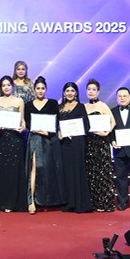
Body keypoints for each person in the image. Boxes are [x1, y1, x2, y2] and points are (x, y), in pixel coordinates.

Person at [24, 76, 63, 211]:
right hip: (35, 138)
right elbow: (27, 123)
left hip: (48, 139)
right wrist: (35, 129)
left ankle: (46, 201)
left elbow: (56, 121)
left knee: (48, 169)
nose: (40, 91)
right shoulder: (28, 105)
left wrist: (49, 132)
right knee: (35, 167)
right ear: (34, 90)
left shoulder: (52, 103)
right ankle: (31, 201)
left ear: (46, 89)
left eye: (42, 88)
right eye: (38, 88)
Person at [0, 75, 27, 212]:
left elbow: (22, 120)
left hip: (15, 138)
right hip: (1, 138)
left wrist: (22, 128)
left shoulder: (19, 101)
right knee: (2, 171)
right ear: (1, 87)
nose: (6, 87)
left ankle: (14, 202)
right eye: (4, 85)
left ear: (12, 86)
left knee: (14, 171)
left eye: (8, 85)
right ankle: (2, 202)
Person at [58, 82, 92, 213]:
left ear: (76, 93)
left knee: (77, 171)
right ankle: (69, 202)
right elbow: (56, 125)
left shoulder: (80, 106)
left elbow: (87, 125)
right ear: (64, 93)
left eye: (72, 91)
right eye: (67, 91)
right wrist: (59, 132)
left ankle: (79, 203)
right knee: (66, 172)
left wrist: (76, 133)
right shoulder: (60, 107)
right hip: (64, 144)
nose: (70, 93)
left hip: (77, 143)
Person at [84, 79, 115, 212]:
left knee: (103, 172)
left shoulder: (103, 106)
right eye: (89, 89)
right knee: (91, 173)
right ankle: (93, 202)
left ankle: (104, 202)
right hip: (88, 143)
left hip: (101, 143)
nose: (91, 92)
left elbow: (113, 122)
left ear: (98, 92)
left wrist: (106, 132)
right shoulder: (83, 106)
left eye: (94, 89)